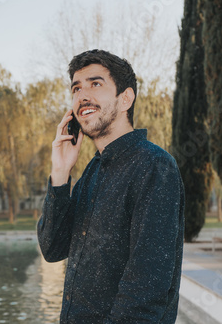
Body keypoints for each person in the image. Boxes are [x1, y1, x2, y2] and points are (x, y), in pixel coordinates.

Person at [37, 49, 185, 323]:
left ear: (125, 98)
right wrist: (60, 174)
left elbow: (146, 289)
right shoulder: (94, 170)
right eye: (76, 88)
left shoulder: (154, 166)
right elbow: (52, 248)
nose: (82, 96)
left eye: (96, 84)